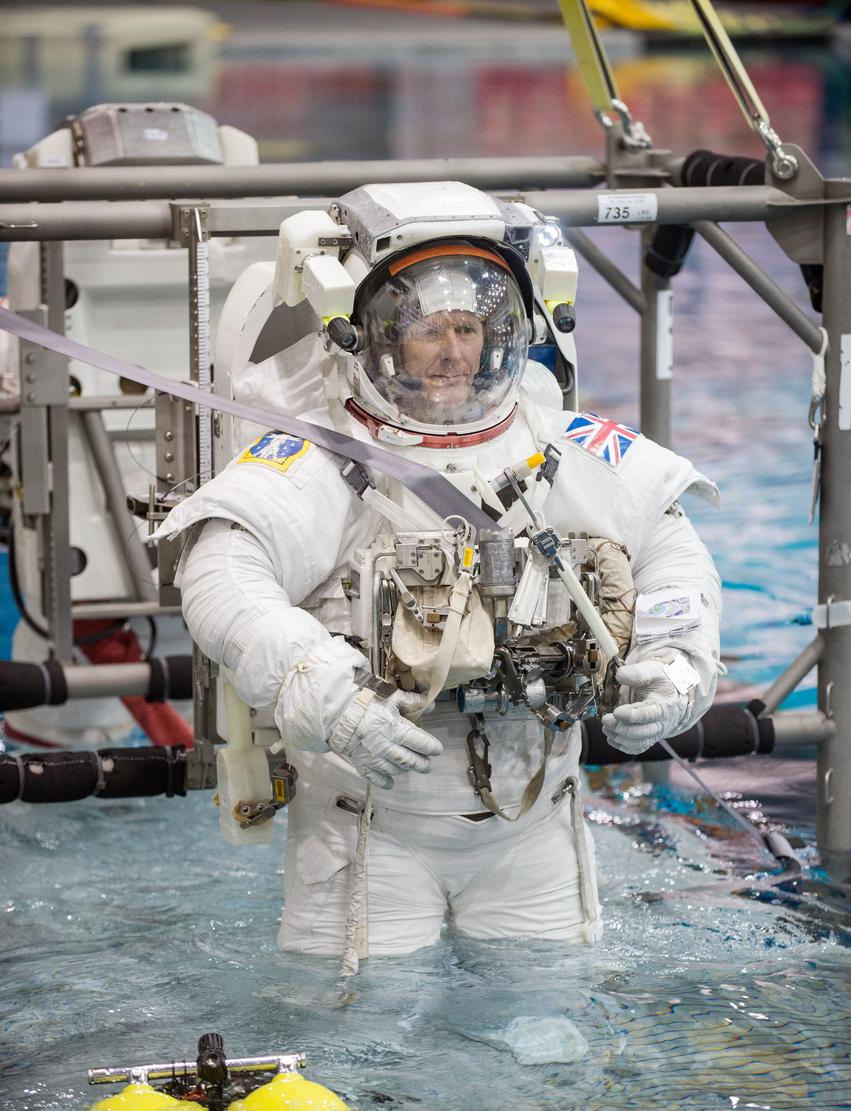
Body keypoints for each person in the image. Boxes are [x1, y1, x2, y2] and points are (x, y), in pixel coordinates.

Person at [156, 181, 722, 958]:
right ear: (378, 338)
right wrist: (323, 694)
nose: (455, 351)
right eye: (428, 331)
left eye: (469, 326)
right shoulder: (324, 454)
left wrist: (676, 665)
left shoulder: (558, 441)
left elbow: (671, 548)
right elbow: (221, 574)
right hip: (367, 823)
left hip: (535, 817)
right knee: (368, 1039)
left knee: (549, 1025)